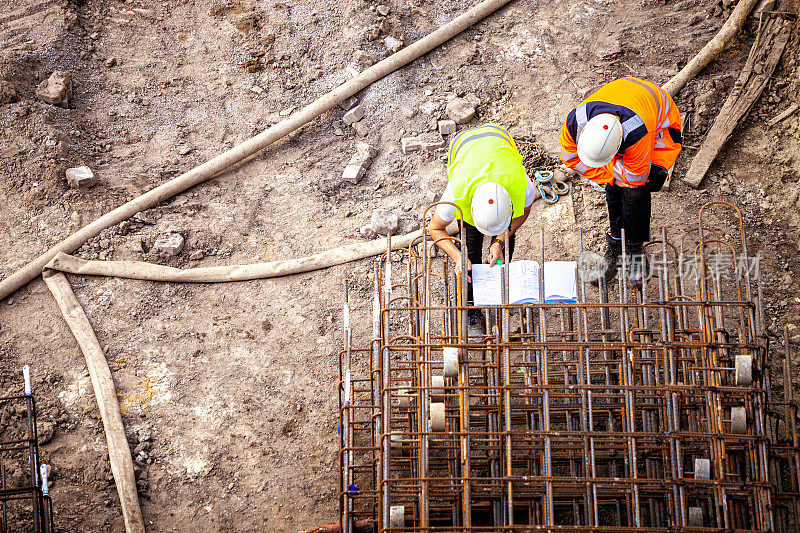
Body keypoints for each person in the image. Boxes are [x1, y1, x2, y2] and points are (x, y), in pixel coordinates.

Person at [560, 77, 682, 284]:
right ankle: (616, 244)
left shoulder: (637, 134)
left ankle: (634, 247)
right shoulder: (574, 124)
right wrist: (610, 175)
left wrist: (619, 177)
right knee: (615, 185)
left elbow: (635, 180)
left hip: (659, 126)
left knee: (639, 189)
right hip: (623, 106)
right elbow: (571, 159)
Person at [428, 123, 536, 335]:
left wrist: (499, 241)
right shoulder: (456, 194)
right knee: (471, 249)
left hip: (498, 141)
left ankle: (498, 285)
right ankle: (471, 307)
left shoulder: (521, 185)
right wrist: (458, 257)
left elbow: (523, 212)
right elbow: (435, 229)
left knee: (502, 250)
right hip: (464, 147)